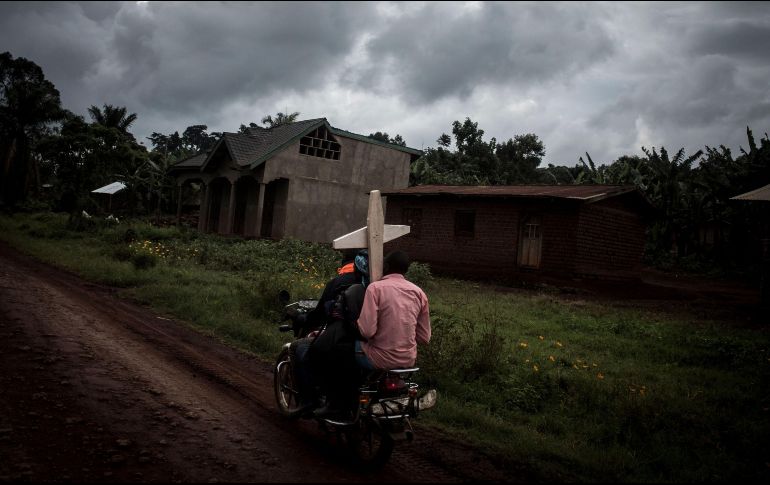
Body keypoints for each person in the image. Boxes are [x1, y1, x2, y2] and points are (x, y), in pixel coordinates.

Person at [354, 250, 431, 372]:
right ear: (406, 270)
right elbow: (424, 338)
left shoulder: (375, 288)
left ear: (386, 266)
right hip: (408, 360)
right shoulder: (419, 293)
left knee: (350, 345)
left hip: (378, 359)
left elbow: (367, 332)